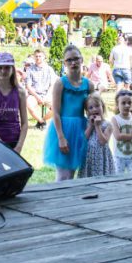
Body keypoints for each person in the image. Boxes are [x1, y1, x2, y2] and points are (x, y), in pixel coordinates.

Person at [43, 44, 94, 181]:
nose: (73, 63)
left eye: (76, 59)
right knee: (63, 175)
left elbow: (93, 110)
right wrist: (61, 137)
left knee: (73, 173)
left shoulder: (88, 85)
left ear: (82, 59)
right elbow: (56, 113)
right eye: (69, 60)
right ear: (64, 63)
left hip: (81, 131)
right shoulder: (60, 83)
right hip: (63, 130)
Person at [0, 51, 27, 153]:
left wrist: (19, 146)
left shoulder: (20, 92)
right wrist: (2, 145)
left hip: (14, 140)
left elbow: (25, 123)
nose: (3, 71)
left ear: (13, 69)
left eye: (7, 67)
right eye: (0, 67)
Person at [78, 93, 115, 178]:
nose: (94, 109)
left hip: (102, 157)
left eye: (97, 106)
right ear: (87, 111)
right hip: (89, 157)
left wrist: (97, 126)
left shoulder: (108, 125)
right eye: (91, 108)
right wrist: (91, 126)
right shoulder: (86, 123)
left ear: (103, 107)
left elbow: (103, 142)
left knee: (102, 179)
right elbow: (83, 140)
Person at [111, 89, 132, 175]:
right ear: (117, 105)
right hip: (119, 156)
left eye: (129, 103)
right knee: (118, 177)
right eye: (123, 103)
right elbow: (118, 136)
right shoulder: (115, 119)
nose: (127, 105)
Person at [25, 47, 56, 129]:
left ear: (44, 57)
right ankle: (42, 122)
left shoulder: (49, 69)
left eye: (40, 56)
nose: (38, 58)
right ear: (34, 57)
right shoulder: (30, 69)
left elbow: (52, 84)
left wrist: (46, 96)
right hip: (34, 95)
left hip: (47, 94)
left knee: (58, 106)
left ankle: (42, 120)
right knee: (28, 104)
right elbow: (28, 86)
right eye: (36, 56)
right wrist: (37, 96)